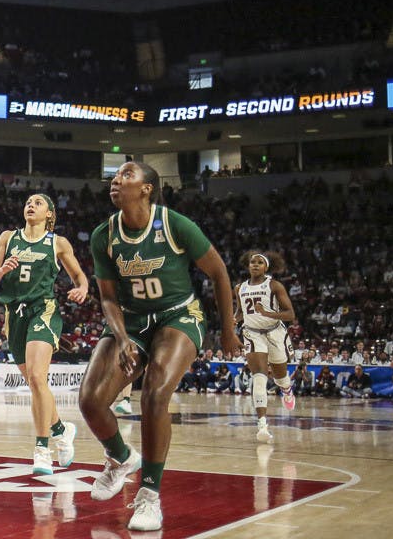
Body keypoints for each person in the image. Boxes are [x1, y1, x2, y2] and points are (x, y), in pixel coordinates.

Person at [78, 161, 241, 533]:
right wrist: (121, 339)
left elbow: (218, 273)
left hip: (178, 315)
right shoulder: (104, 235)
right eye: (115, 176)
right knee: (90, 400)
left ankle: (150, 495)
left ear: (147, 188)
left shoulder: (175, 224)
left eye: (127, 175)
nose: (117, 180)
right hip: (131, 320)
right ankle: (121, 458)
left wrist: (228, 331)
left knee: (154, 394)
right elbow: (107, 298)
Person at [0, 193, 88, 475]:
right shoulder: (8, 238)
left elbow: (80, 276)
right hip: (14, 315)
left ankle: (42, 449)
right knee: (33, 382)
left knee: (38, 377)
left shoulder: (58, 243)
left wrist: (82, 289)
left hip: (43, 311)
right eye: (28, 202)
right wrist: (2, 269)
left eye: (38, 203)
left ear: (50, 215)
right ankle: (61, 429)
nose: (31, 205)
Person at [236, 250, 296, 443]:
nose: (255, 265)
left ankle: (286, 389)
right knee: (259, 378)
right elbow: (240, 312)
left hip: (275, 332)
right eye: (252, 262)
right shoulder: (240, 288)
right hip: (252, 333)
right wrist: (232, 320)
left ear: (266, 267)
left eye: (259, 262)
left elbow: (290, 314)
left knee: (280, 377)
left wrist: (267, 313)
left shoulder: (274, 285)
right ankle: (262, 425)